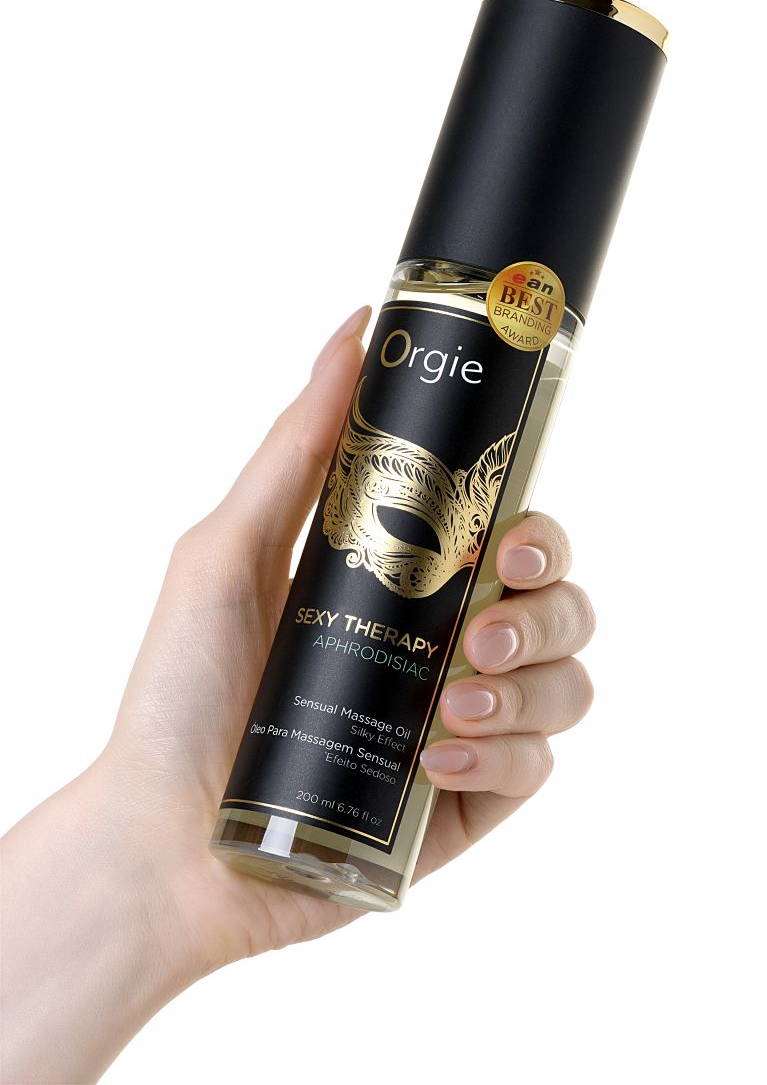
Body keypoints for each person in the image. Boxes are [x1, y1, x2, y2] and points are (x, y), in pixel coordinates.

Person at [1, 306, 596, 1084]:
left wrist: (158, 890)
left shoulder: (526, 334)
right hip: (255, 798)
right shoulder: (427, 310)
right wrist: (150, 845)